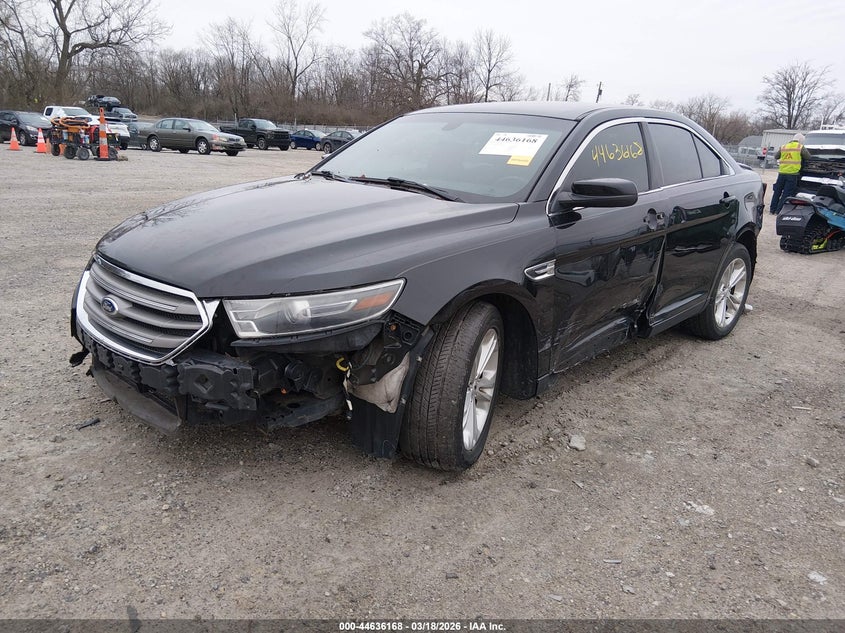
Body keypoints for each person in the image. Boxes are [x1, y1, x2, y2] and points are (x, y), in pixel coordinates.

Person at [770, 133, 812, 214]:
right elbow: (808, 157)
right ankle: (779, 211)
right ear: (800, 140)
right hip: (792, 174)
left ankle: (772, 210)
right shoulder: (800, 147)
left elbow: (776, 156)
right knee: (786, 194)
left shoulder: (784, 147)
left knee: (777, 192)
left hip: (781, 173)